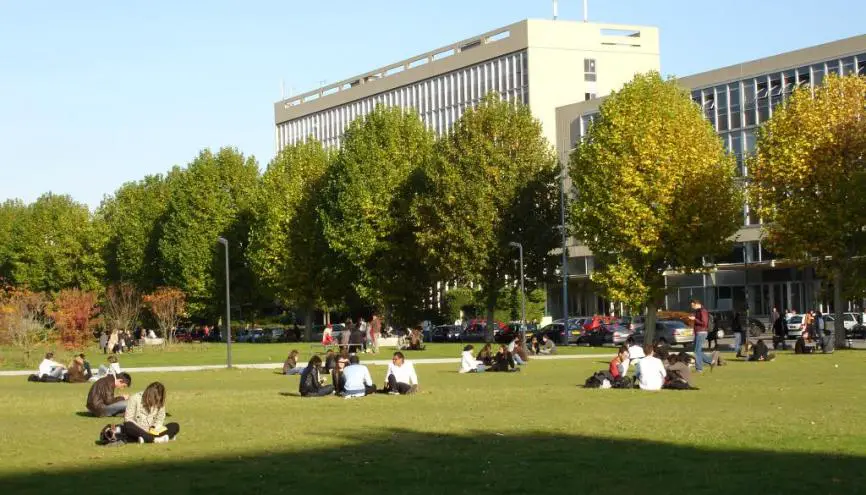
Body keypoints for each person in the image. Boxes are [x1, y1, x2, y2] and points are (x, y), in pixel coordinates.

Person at [688, 299, 718, 372]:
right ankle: (711, 361)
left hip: (701, 333)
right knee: (697, 350)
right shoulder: (698, 311)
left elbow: (704, 323)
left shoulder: (702, 311)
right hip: (698, 332)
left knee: (696, 351)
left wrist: (695, 319)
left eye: (692, 305)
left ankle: (699, 369)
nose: (692, 307)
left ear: (696, 304)